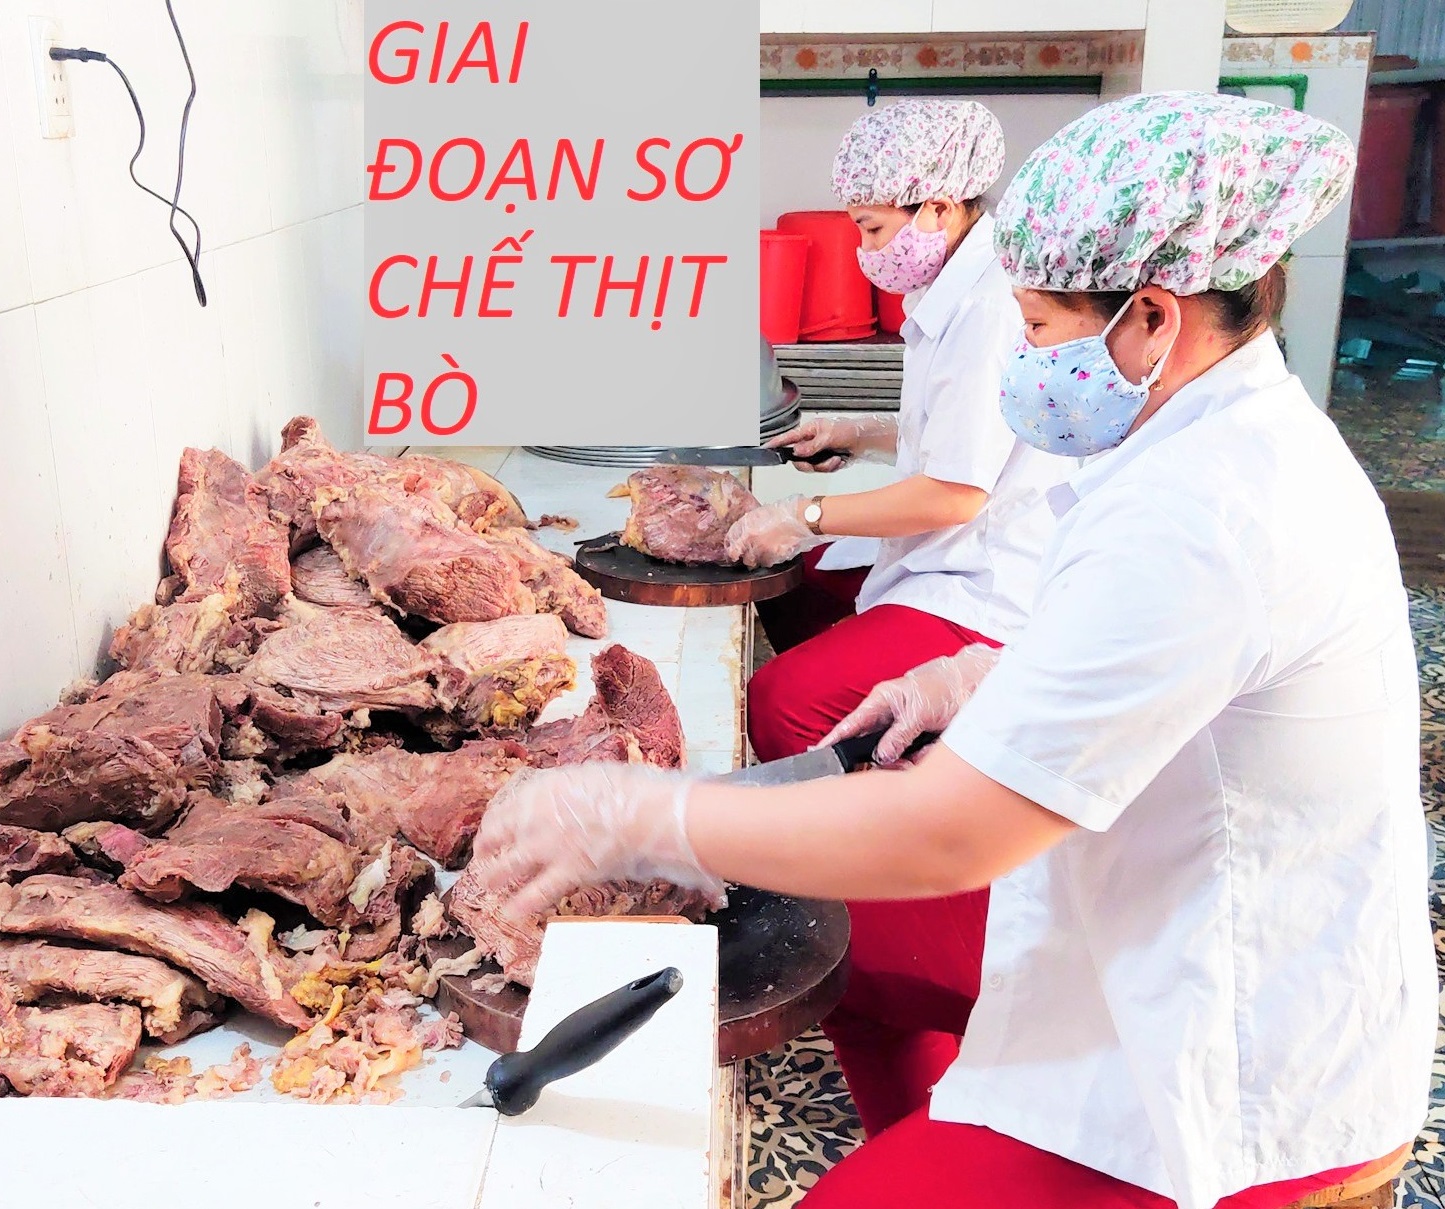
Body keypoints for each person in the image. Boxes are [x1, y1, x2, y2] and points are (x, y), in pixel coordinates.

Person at [471, 92, 1433, 1209]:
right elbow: (1166, 659)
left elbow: (951, 833)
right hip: (1150, 929)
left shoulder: (1207, 506)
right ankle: (942, 1129)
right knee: (860, 959)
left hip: (1227, 1066)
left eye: (1038, 327)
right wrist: (982, 674)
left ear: (1152, 317)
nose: (1023, 357)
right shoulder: (1207, 437)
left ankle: (955, 1153)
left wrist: (643, 817)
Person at [738, 99, 1071, 773]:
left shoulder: (988, 309)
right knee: (791, 583)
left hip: (986, 581)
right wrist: (859, 432)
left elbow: (953, 494)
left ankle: (871, 807)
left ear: (938, 209)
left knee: (778, 700)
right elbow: (965, 431)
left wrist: (803, 515)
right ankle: (867, 743)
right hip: (950, 548)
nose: (864, 251)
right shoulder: (955, 285)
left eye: (872, 229)